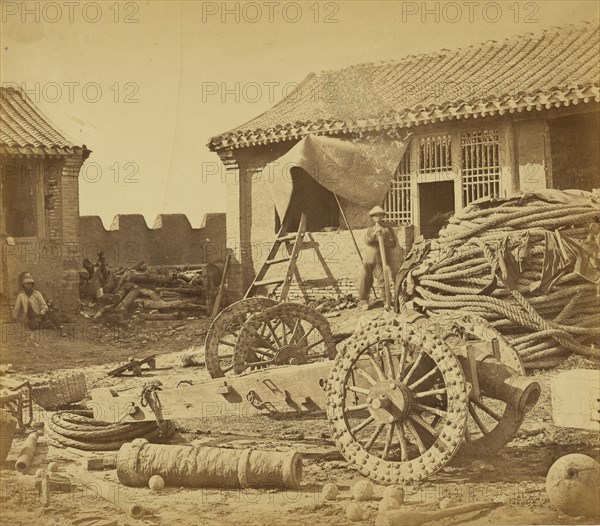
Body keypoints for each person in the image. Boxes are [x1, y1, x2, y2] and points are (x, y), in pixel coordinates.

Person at [358, 206, 397, 310]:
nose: (377, 217)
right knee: (365, 278)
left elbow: (393, 244)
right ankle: (363, 301)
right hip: (368, 257)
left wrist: (383, 238)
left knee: (382, 279)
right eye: (375, 215)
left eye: (379, 215)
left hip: (380, 258)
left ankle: (386, 301)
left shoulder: (388, 229)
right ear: (372, 218)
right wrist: (375, 234)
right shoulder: (370, 230)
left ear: (383, 216)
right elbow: (367, 241)